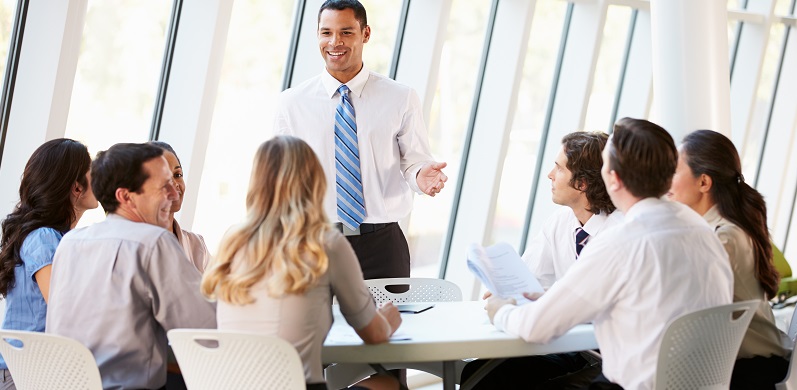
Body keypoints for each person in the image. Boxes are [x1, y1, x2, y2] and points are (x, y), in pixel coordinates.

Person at [485, 118, 734, 389]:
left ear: (613, 179)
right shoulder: (703, 231)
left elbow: (536, 327)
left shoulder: (622, 241)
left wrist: (500, 311)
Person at [201, 136, 401, 390]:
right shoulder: (325, 243)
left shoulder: (232, 241)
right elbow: (374, 334)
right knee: (388, 384)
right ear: (314, 181)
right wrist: (388, 319)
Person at [274, 0, 447, 281]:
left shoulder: (400, 97)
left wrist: (421, 177)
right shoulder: (291, 104)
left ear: (365, 34)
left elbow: (414, 162)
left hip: (382, 246)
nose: (335, 42)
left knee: (390, 313)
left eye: (346, 32)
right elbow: (279, 177)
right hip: (314, 244)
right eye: (326, 32)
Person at [46, 143, 216, 390]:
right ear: (125, 197)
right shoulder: (154, 243)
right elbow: (206, 331)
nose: (174, 194)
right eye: (163, 186)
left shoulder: (70, 242)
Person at [462, 131, 622, 388]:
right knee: (479, 374)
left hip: (611, 353)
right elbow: (531, 279)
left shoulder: (620, 233)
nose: (550, 175)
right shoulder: (560, 222)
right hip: (569, 344)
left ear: (582, 183)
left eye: (559, 168)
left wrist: (518, 307)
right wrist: (508, 293)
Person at [668, 129, 788, 389]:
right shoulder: (720, 230)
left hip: (749, 371)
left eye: (674, 171)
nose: (667, 181)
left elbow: (683, 302)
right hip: (746, 365)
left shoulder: (724, 237)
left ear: (703, 182)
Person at [0, 138, 97, 390]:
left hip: (34, 372)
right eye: (92, 171)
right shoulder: (44, 237)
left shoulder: (56, 238)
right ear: (77, 187)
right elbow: (63, 308)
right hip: (23, 376)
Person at [148, 141, 210, 273]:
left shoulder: (196, 246)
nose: (175, 184)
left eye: (178, 175)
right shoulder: (134, 245)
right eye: (164, 177)